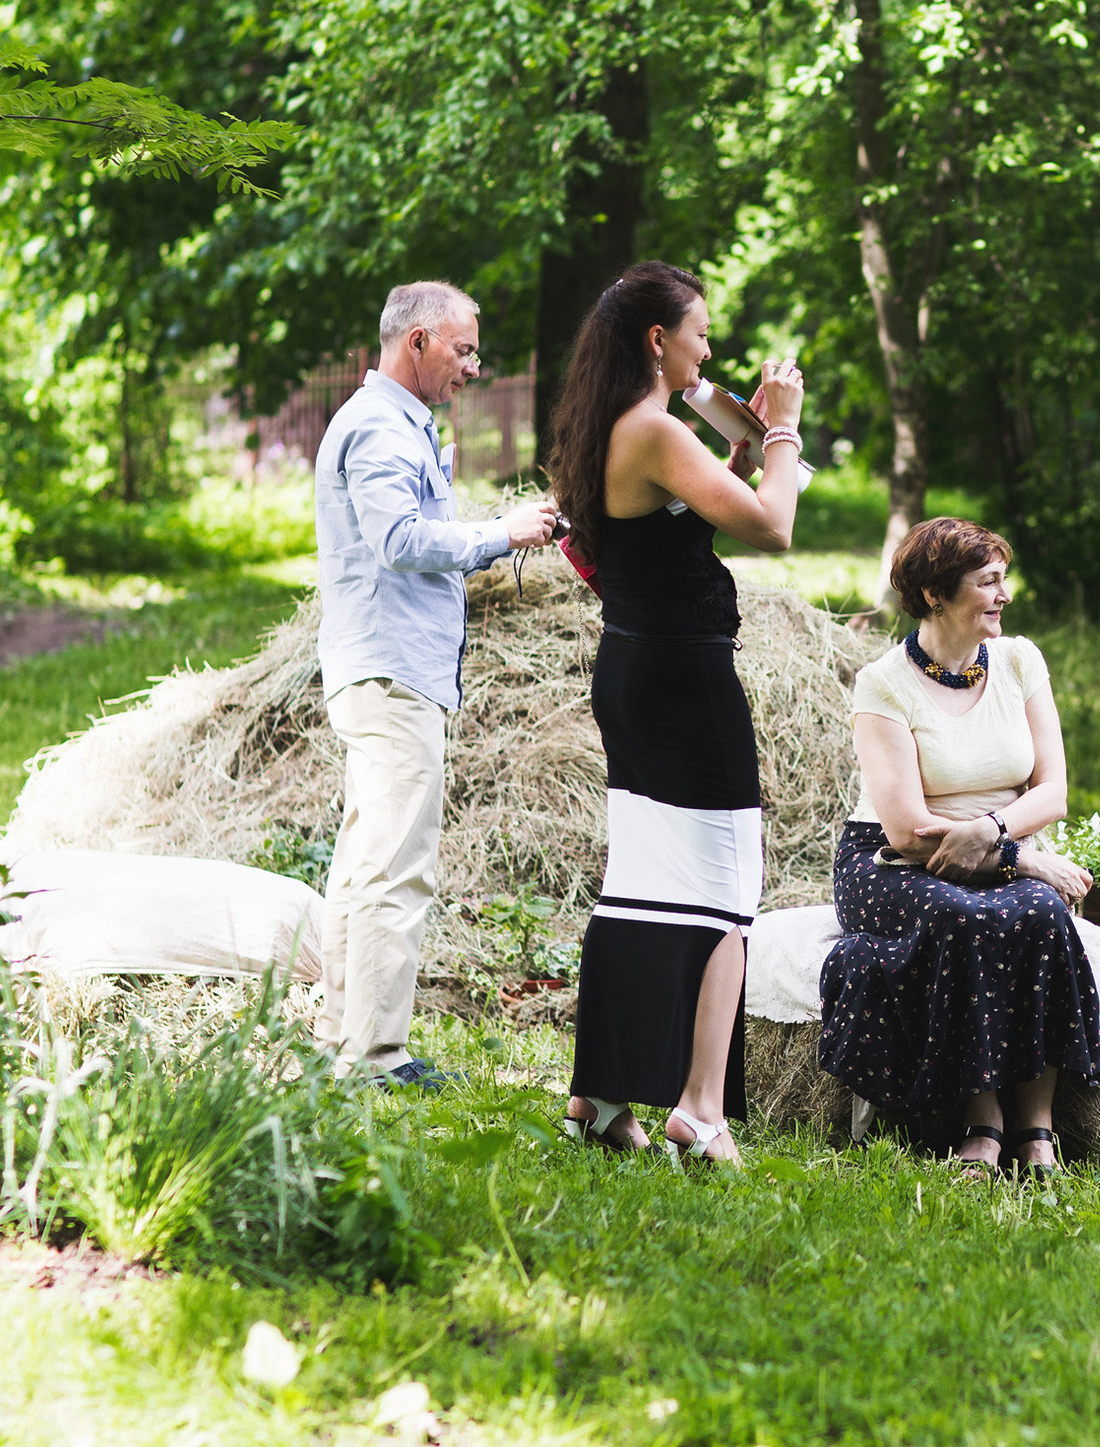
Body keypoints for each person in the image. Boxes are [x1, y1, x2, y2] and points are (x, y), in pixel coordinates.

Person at [551, 261, 805, 1162]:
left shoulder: (612, 427)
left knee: (643, 884)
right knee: (729, 891)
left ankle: (599, 1094)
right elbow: (773, 524)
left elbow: (676, 524)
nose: (711, 346)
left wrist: (734, 452)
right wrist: (782, 431)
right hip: (684, 685)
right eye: (701, 330)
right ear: (660, 341)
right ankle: (700, 1107)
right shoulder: (655, 429)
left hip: (633, 675)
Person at [313, 281, 560, 1084]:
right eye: (462, 349)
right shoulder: (382, 426)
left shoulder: (389, 421)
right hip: (391, 673)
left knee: (361, 863)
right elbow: (397, 539)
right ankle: (377, 1055)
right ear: (416, 341)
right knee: (397, 865)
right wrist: (500, 533)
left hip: (381, 667)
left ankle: (338, 1041)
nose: (472, 366)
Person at [818, 518, 1100, 1180]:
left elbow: (1053, 790)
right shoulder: (883, 683)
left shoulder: (1019, 660)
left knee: (1038, 913)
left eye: (1003, 578)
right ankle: (983, 1120)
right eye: (988, 581)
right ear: (934, 595)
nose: (1003, 594)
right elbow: (907, 830)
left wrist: (996, 832)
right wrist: (1019, 856)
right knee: (964, 915)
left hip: (997, 839)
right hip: (895, 861)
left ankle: (1038, 1126)